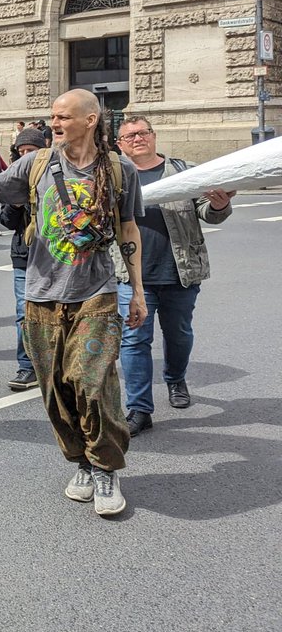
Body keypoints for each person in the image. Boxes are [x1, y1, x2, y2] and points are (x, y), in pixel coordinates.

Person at [0, 89, 146, 518]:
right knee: (55, 391)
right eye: (52, 116)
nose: (54, 123)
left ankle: (106, 468)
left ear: (90, 120)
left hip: (97, 293)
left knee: (93, 382)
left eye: (62, 116)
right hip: (41, 296)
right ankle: (81, 464)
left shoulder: (118, 169)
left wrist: (138, 291)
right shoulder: (35, 164)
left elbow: (128, 230)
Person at [113, 115, 234, 435]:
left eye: (143, 133)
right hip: (132, 276)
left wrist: (219, 205)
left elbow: (208, 214)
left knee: (178, 335)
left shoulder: (184, 171)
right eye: (130, 136)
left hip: (180, 271)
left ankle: (175, 378)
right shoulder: (115, 178)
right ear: (119, 144)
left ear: (153, 137)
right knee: (134, 340)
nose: (138, 139)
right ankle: (139, 409)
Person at [0, 126, 48, 391]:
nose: (26, 156)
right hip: (23, 255)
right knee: (23, 314)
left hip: (54, 256)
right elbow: (6, 221)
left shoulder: (54, 175)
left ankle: (53, 364)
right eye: (22, 152)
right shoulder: (14, 178)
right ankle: (26, 367)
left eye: (31, 151)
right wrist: (15, 204)